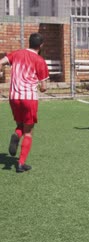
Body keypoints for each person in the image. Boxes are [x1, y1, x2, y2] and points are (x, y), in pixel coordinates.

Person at [0, 33, 49, 173]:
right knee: (28, 131)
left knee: (20, 125)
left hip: (13, 97)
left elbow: (0, 63)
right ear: (41, 45)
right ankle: (20, 164)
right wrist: (41, 87)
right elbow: (44, 87)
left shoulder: (17, 53)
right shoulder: (39, 60)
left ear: (29, 42)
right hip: (29, 98)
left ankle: (16, 135)